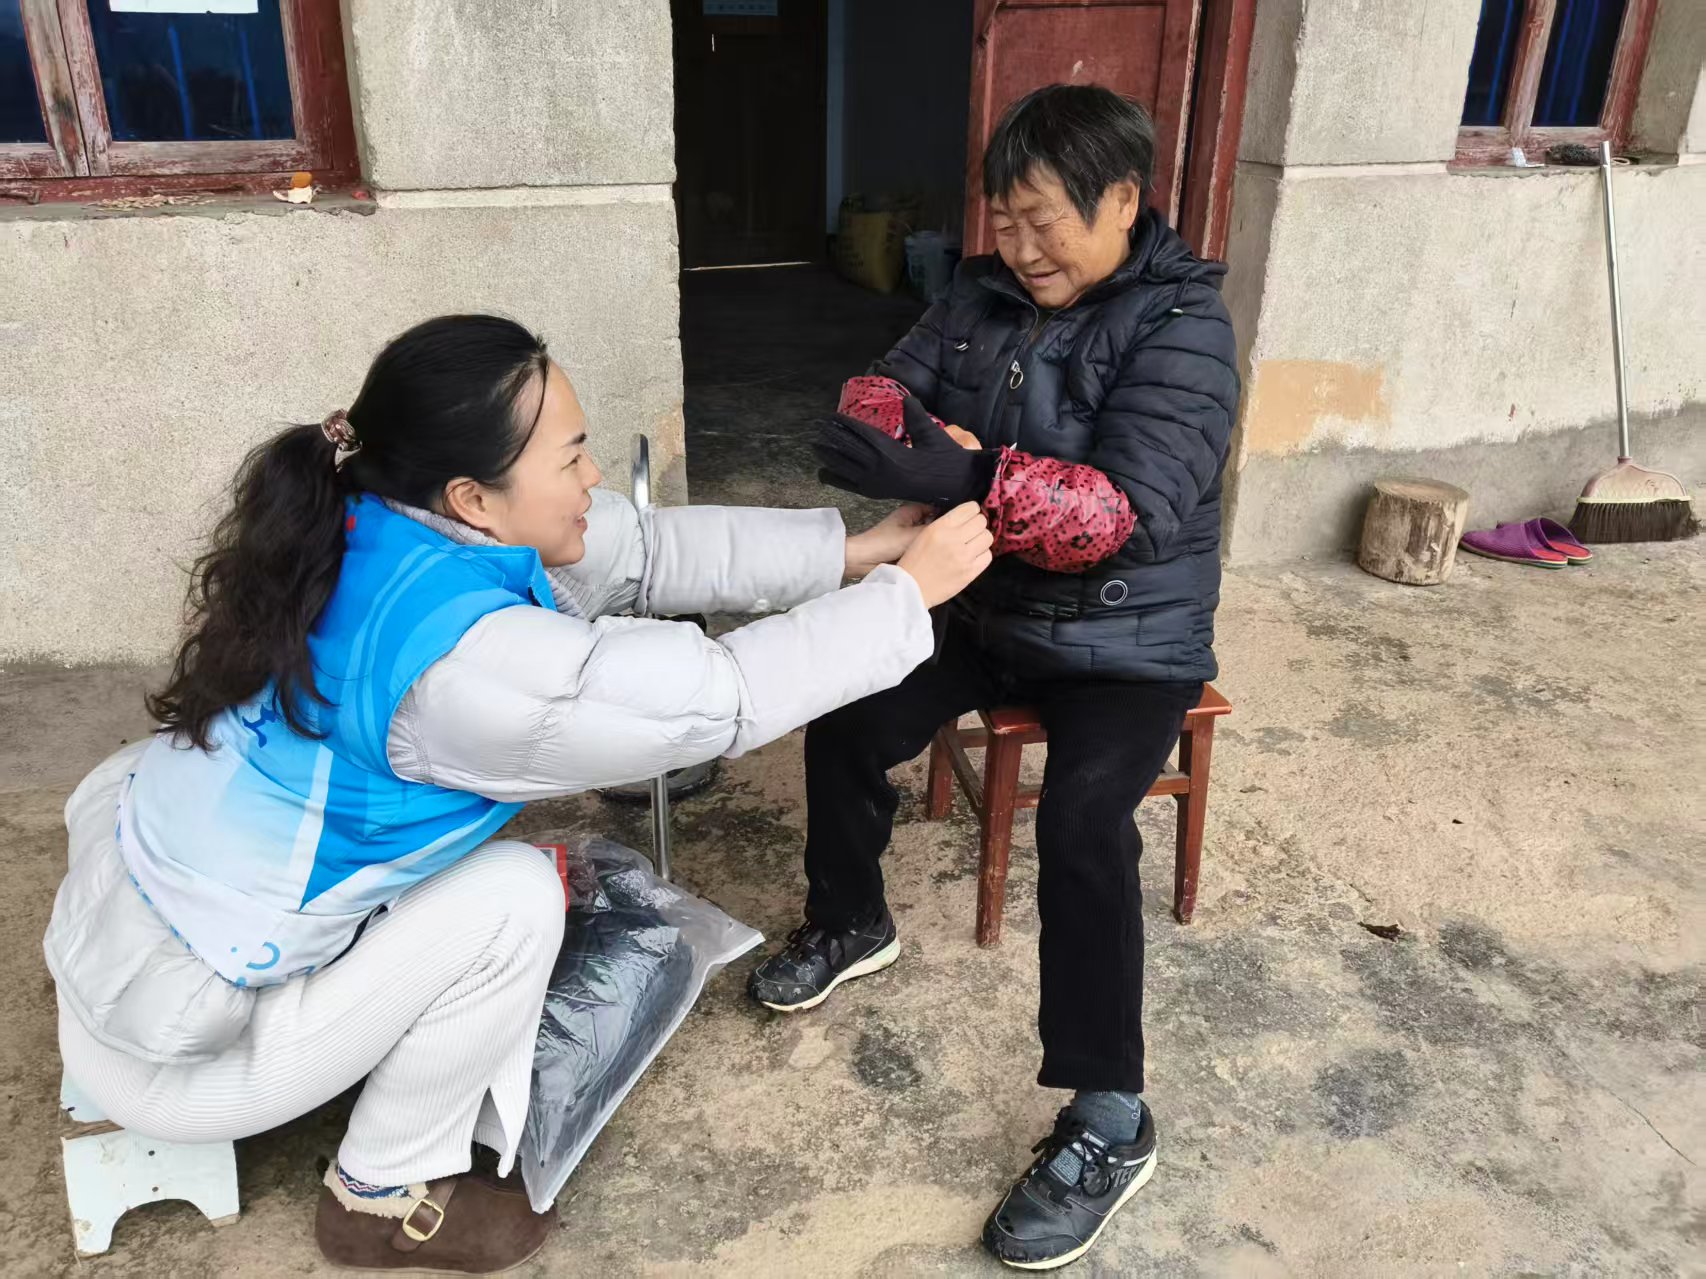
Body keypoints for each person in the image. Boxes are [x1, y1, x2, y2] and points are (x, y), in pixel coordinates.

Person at [43, 314, 993, 1275]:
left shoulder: (378, 516)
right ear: (474, 496)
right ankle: (383, 1193)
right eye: (571, 457)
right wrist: (904, 597)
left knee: (485, 868)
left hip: (127, 946)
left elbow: (649, 548)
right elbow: (721, 699)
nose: (593, 476)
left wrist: (857, 550)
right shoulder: (463, 668)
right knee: (513, 899)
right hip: (185, 1057)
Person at [747, 85, 1240, 1269]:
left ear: (1120, 202)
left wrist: (968, 472)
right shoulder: (976, 293)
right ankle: (849, 918)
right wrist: (923, 446)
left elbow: (1119, 516)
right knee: (842, 702)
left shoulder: (1183, 326)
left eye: (1041, 220)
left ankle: (1109, 1117)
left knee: (1080, 820)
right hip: (983, 602)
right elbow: (868, 403)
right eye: (1003, 219)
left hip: (1126, 642)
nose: (1018, 247)